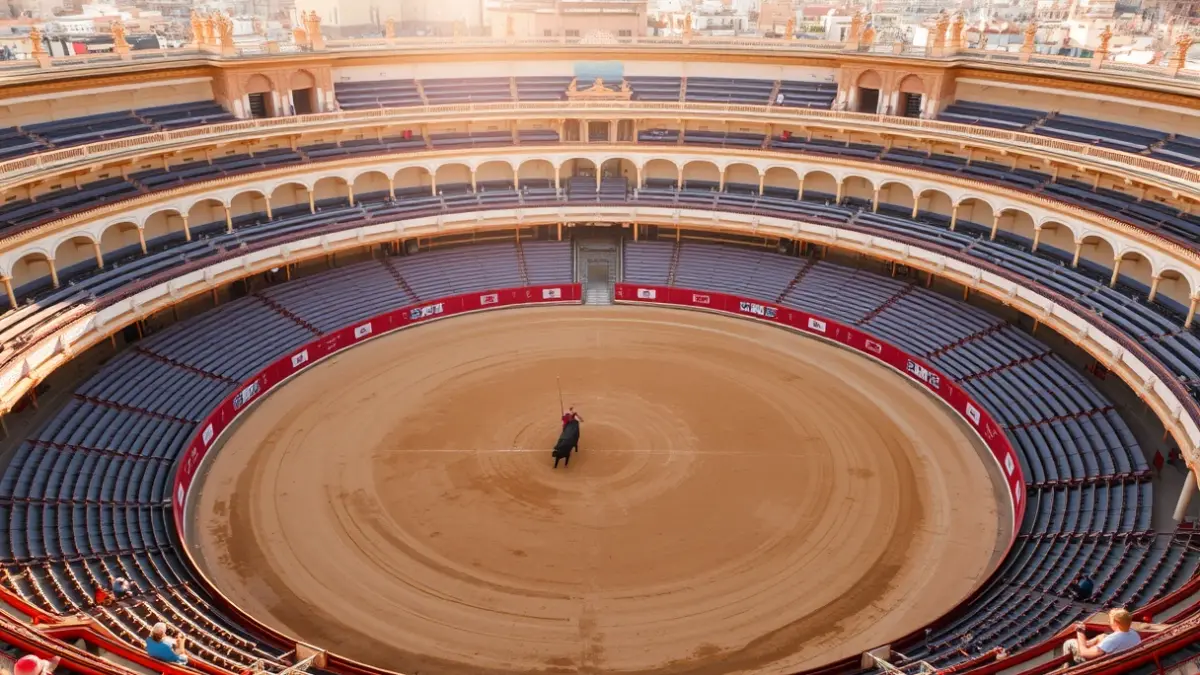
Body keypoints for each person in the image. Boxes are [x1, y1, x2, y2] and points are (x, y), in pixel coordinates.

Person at [1061, 609, 1141, 664]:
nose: (1109, 622)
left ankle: (1066, 669)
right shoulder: (1134, 633)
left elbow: (1084, 653)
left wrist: (1080, 632)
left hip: (1098, 664)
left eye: (1110, 620)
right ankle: (1087, 644)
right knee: (1102, 636)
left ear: (1116, 623)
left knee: (1069, 642)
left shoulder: (1112, 639)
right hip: (1121, 659)